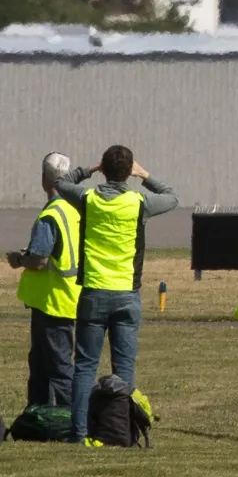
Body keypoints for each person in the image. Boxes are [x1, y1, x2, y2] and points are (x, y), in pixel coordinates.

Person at [56, 144, 178, 446]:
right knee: (124, 369)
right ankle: (123, 432)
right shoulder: (138, 203)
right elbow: (172, 197)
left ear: (105, 169)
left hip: (95, 292)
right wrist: (145, 175)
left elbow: (61, 183)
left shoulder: (89, 199)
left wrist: (89, 169)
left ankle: (79, 433)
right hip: (126, 294)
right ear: (129, 171)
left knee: (85, 366)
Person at [7, 153, 81, 408]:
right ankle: (37, 414)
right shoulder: (75, 208)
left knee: (59, 368)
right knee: (39, 364)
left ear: (43, 180)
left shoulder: (52, 214)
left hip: (52, 301)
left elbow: (39, 260)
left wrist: (18, 260)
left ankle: (74, 420)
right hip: (67, 296)